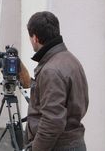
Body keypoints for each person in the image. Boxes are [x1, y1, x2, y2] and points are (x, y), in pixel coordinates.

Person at [25, 11, 89, 151]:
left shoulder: (51, 70)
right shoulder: (71, 59)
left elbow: (52, 121)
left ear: (35, 38)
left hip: (59, 146)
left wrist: (36, 148)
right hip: (74, 141)